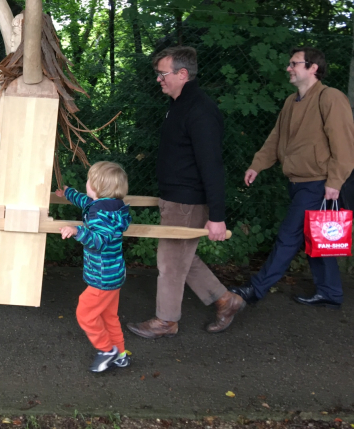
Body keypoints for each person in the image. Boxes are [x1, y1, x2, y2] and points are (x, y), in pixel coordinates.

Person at [127, 47, 245, 339]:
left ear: (182, 74)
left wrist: (217, 216)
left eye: (163, 73)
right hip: (175, 198)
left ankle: (166, 321)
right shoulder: (179, 105)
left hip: (187, 201)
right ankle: (225, 300)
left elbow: (212, 166)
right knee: (183, 257)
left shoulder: (200, 110)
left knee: (170, 262)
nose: (159, 79)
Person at [232, 47, 354, 309]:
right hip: (297, 183)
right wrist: (258, 165)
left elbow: (344, 145)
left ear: (313, 68)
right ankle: (330, 292)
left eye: (294, 64)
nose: (288, 68)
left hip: (318, 184)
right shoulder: (291, 101)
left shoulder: (331, 98)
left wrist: (334, 182)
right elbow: (276, 138)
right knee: (316, 239)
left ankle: (256, 288)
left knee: (289, 237)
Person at [56, 161, 132, 372]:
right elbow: (86, 201)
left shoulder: (99, 215)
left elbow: (100, 241)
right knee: (109, 317)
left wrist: (77, 230)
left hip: (102, 276)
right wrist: (68, 193)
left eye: (89, 180)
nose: (87, 183)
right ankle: (121, 355)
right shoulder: (112, 206)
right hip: (115, 273)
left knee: (85, 313)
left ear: (99, 187)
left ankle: (107, 350)